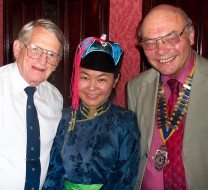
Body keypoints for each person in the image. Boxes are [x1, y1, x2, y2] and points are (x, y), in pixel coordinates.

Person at [127, 4, 208, 190]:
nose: (161, 50)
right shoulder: (135, 87)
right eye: (149, 42)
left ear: (191, 35)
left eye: (171, 38)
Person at [43, 36, 140, 190]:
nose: (92, 88)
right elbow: (51, 170)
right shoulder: (61, 117)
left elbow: (124, 176)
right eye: (85, 77)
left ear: (115, 81)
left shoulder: (125, 121)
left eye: (101, 80)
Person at [0, 19, 65, 189]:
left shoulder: (55, 99)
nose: (43, 60)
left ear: (56, 63)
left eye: (52, 54)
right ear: (17, 48)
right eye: (35, 49)